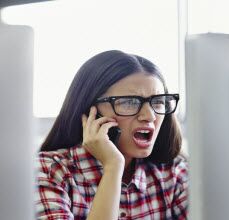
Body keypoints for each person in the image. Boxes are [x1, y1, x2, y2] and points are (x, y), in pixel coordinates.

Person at [35, 50, 188, 220]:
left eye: (158, 101)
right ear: (90, 111)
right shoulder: (49, 172)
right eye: (129, 102)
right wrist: (113, 166)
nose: (150, 116)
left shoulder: (174, 172)